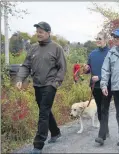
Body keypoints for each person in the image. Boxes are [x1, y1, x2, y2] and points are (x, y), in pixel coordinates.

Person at [16, 22, 67, 154]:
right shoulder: (33, 48)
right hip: (37, 84)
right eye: (37, 31)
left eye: (41, 31)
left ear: (48, 33)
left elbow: (62, 68)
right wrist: (20, 79)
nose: (38, 34)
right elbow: (26, 65)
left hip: (50, 84)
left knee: (43, 113)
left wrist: (56, 83)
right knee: (45, 110)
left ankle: (38, 145)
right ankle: (55, 132)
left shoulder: (57, 48)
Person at [83, 31, 112, 145]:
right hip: (94, 86)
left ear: (106, 40)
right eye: (97, 38)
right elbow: (89, 69)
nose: (98, 40)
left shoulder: (111, 53)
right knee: (99, 109)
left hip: (107, 86)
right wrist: (86, 69)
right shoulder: (92, 54)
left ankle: (101, 135)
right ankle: (105, 129)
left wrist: (100, 77)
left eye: (100, 38)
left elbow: (113, 71)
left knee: (104, 109)